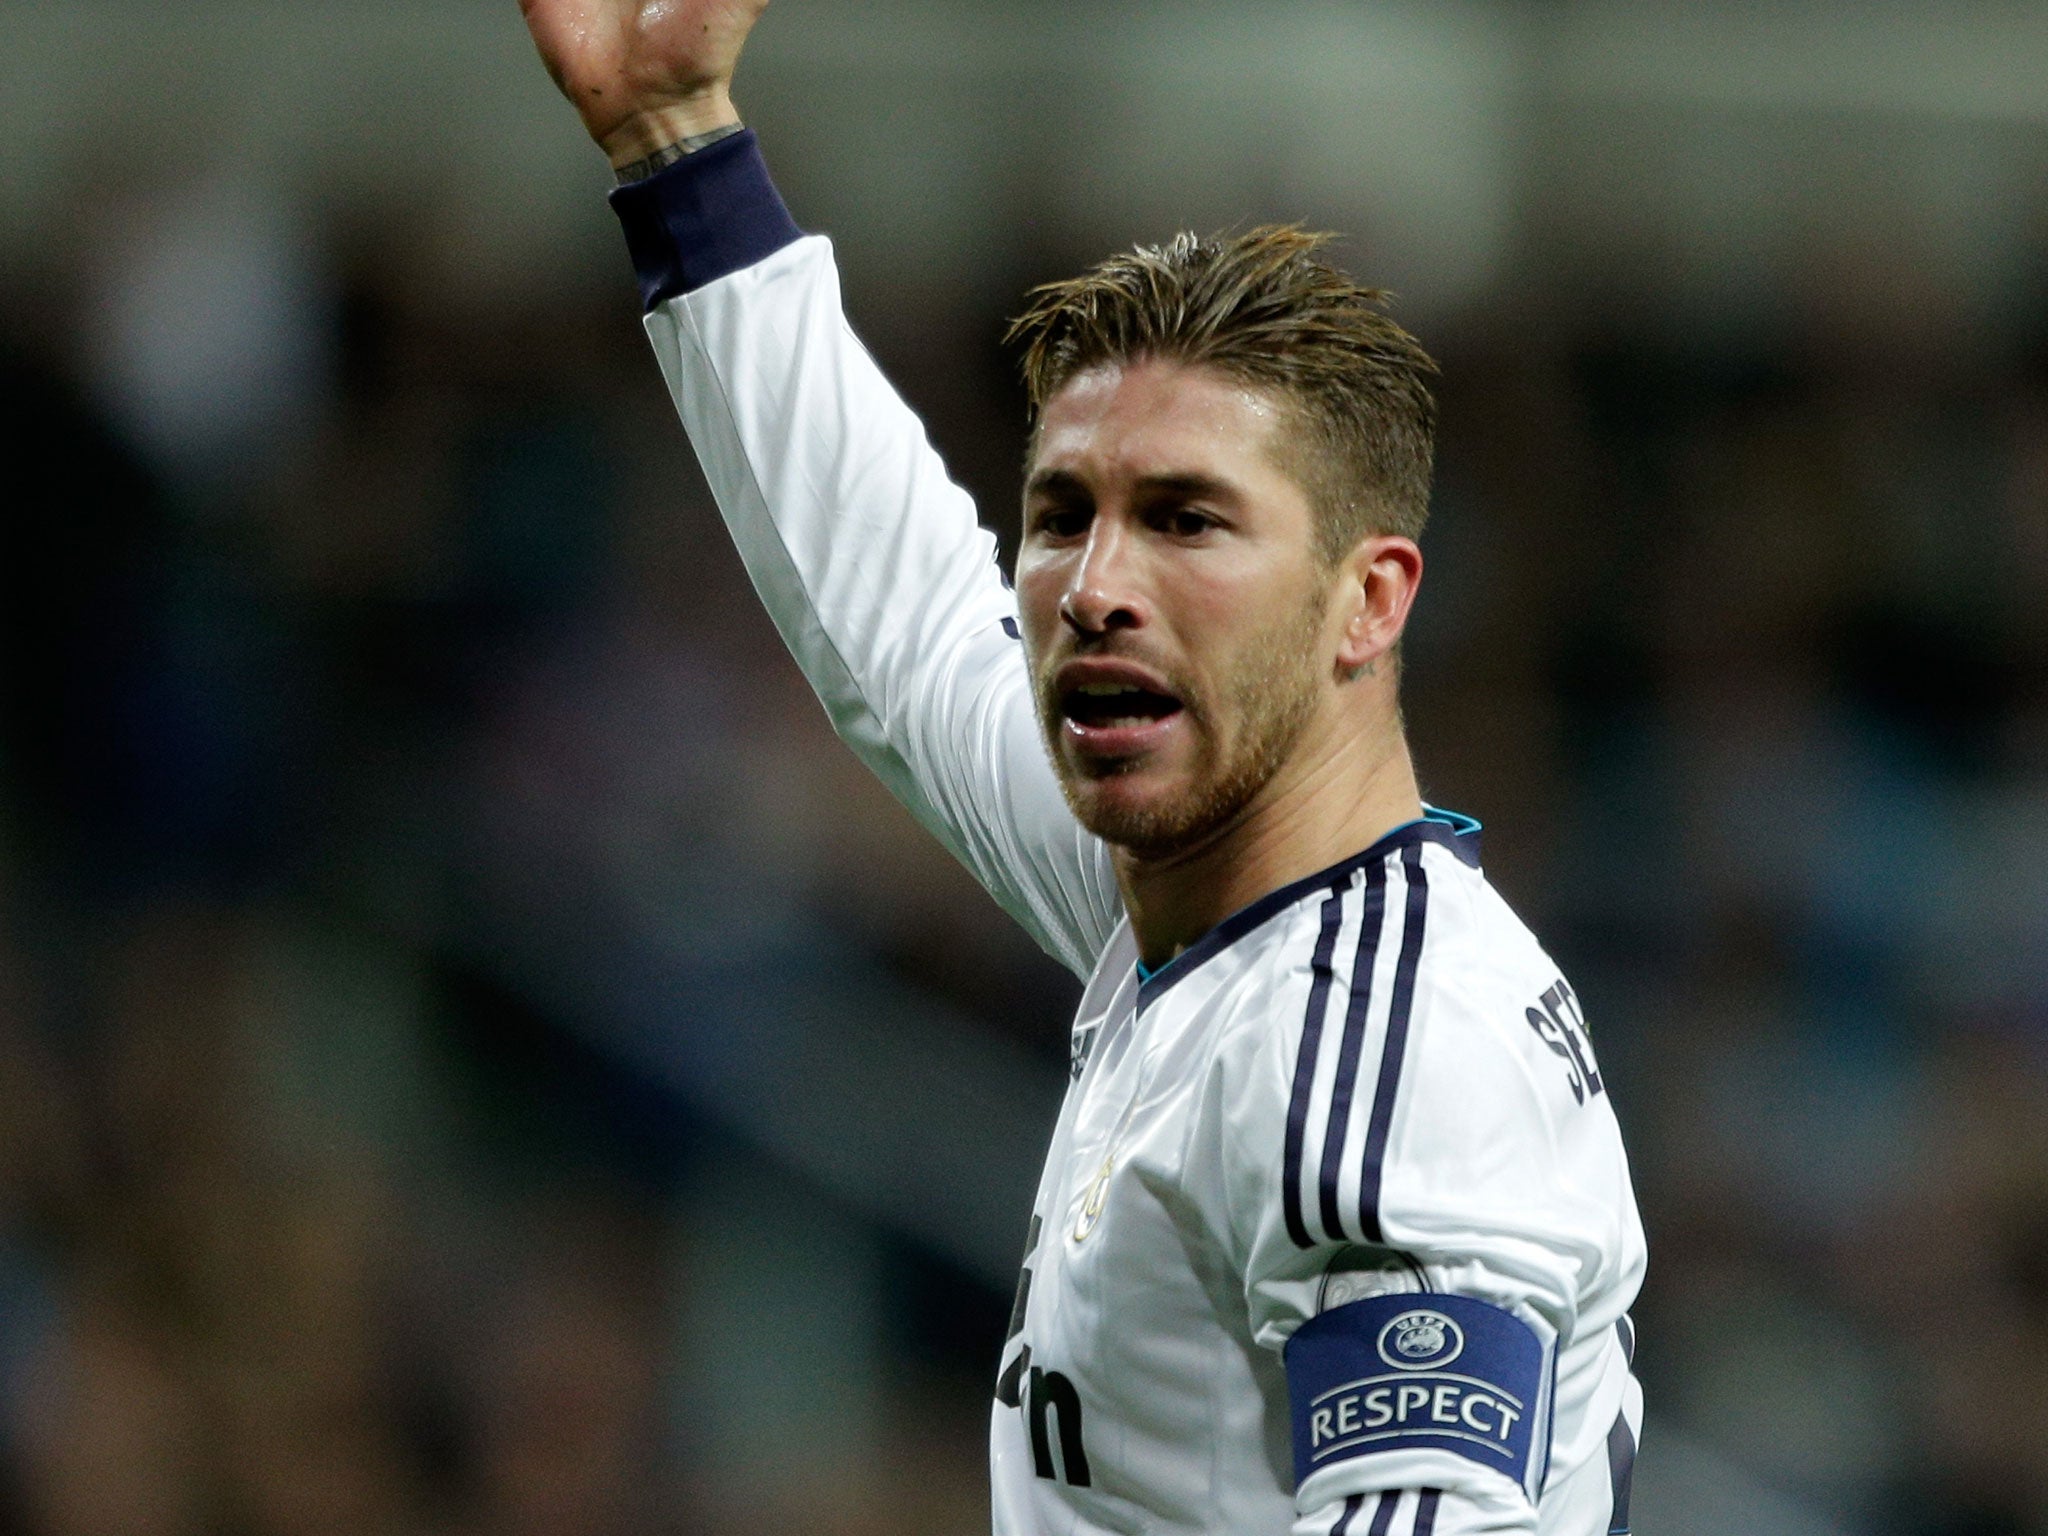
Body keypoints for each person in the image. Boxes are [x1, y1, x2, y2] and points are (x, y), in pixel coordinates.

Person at [517, 2, 1646, 1532]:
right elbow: (905, 624)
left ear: (1368, 602)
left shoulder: (1377, 1059)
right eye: (1064, 515)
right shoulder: (1203, 917)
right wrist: (677, 148)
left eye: (1187, 519)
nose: (1094, 584)